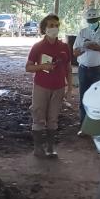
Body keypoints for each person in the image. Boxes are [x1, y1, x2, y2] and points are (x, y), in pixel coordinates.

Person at [25, 13, 73, 158]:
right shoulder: (38, 47)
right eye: (51, 25)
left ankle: (51, 147)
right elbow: (28, 67)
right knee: (38, 116)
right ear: (44, 28)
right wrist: (42, 66)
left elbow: (69, 68)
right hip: (41, 86)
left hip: (58, 87)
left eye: (57, 26)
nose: (54, 28)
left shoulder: (64, 47)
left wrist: (69, 87)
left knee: (53, 118)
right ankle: (38, 147)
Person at [73, 8, 100, 133]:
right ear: (87, 20)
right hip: (83, 69)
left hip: (98, 70)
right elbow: (75, 52)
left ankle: (97, 126)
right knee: (83, 97)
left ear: (98, 19)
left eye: (94, 20)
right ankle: (83, 127)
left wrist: (97, 48)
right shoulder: (82, 32)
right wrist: (84, 47)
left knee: (98, 98)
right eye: (90, 20)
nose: (92, 23)